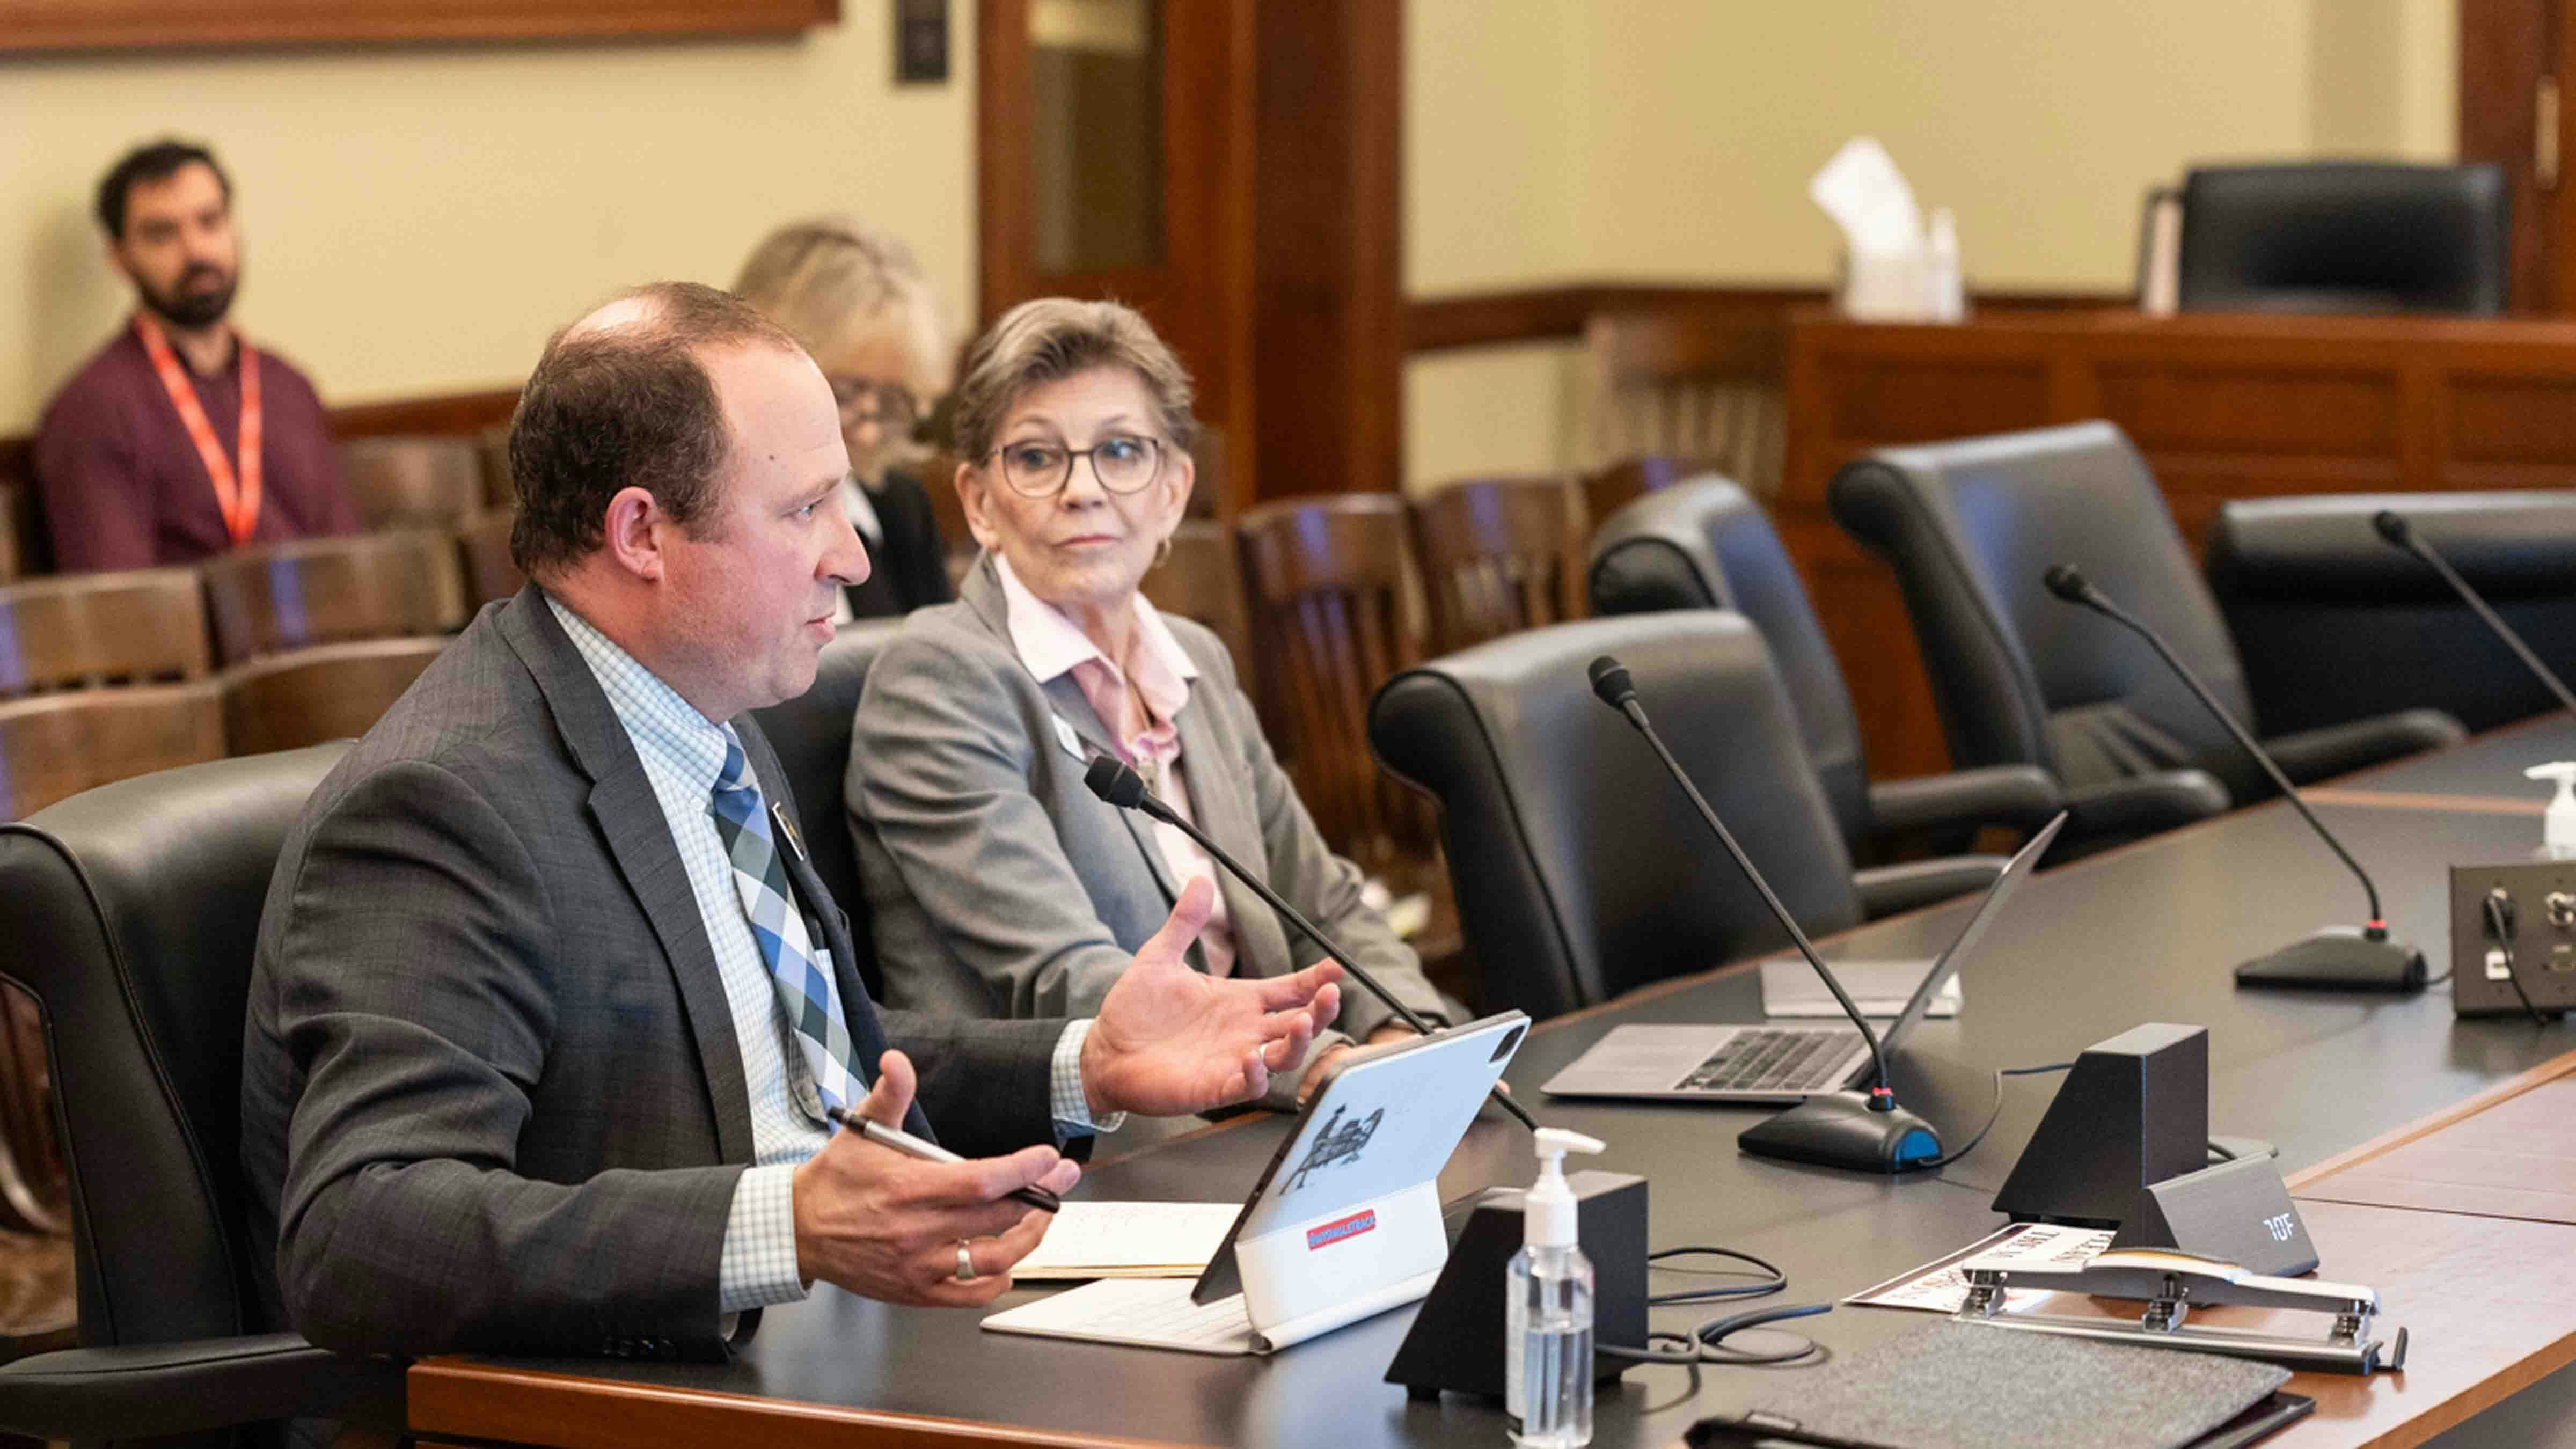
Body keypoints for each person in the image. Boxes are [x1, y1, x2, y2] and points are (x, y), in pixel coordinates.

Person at [238, 282, 1342, 1360]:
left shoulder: (707, 715)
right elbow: (362, 1234)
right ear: (642, 534)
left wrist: (1085, 1063)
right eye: (807, 509)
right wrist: (789, 1230)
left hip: (854, 1331)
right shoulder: (452, 802)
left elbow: (824, 1069)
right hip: (659, 1386)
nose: (853, 558)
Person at [849, 298, 1453, 1107]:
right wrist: (1325, 1069)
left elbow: (1323, 897)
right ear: (980, 503)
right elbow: (1070, 979)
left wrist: (1407, 1040)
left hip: (1267, 1112)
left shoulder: (1193, 659)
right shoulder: (938, 682)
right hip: (1090, 1161)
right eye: (1035, 459)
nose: (1083, 490)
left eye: (1121, 451)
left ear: (1173, 490)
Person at [35, 138, 355, 572]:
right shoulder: (93, 409)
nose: (195, 252)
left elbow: (350, 567)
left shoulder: (290, 387)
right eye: (161, 234)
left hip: (325, 631)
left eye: (209, 221)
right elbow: (119, 613)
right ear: (120, 258)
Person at [733, 217, 954, 619]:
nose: (869, 433)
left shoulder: (902, 508)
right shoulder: (724, 517)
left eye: (892, 402)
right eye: (843, 395)